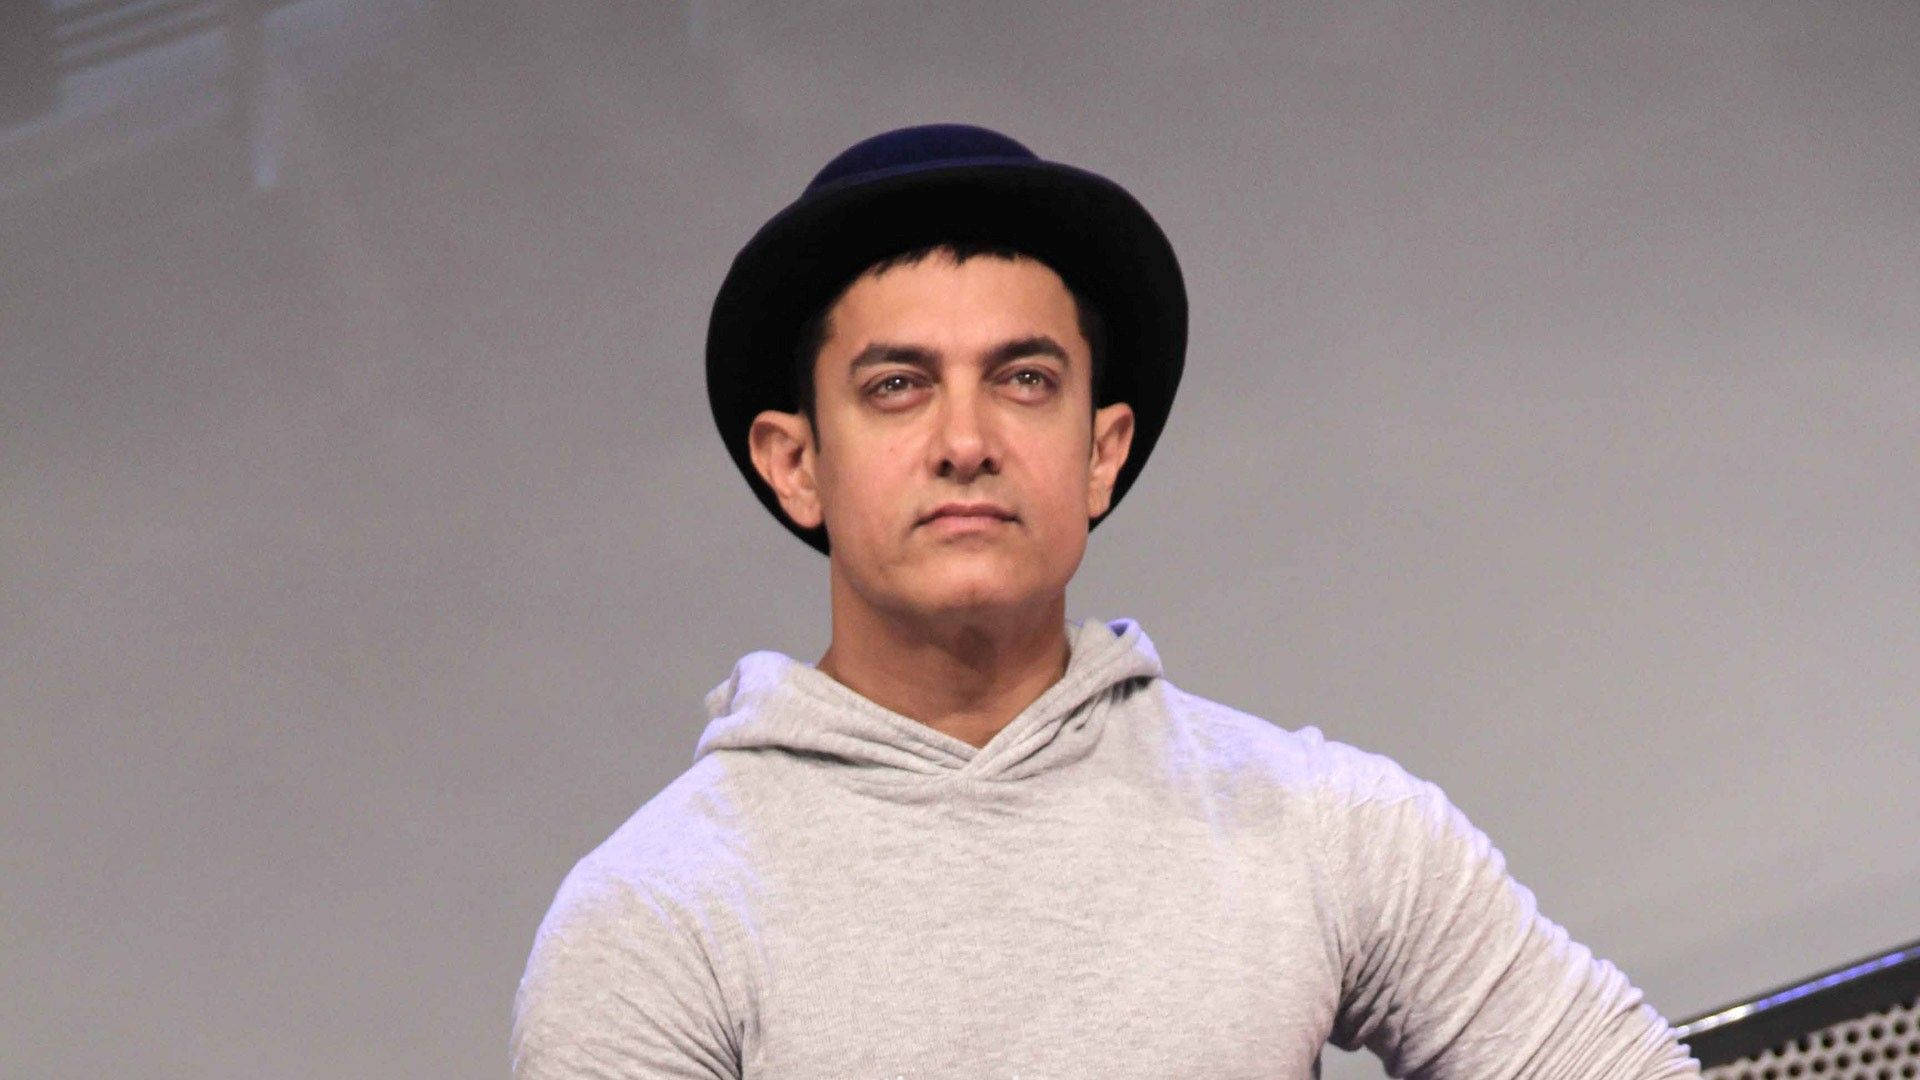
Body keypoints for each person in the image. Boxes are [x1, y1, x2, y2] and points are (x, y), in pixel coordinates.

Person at [510, 124, 1701, 1079]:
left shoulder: (1324, 828)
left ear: (1101, 452)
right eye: (898, 386)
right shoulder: (653, 921)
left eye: (1025, 380)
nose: (966, 440)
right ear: (795, 463)